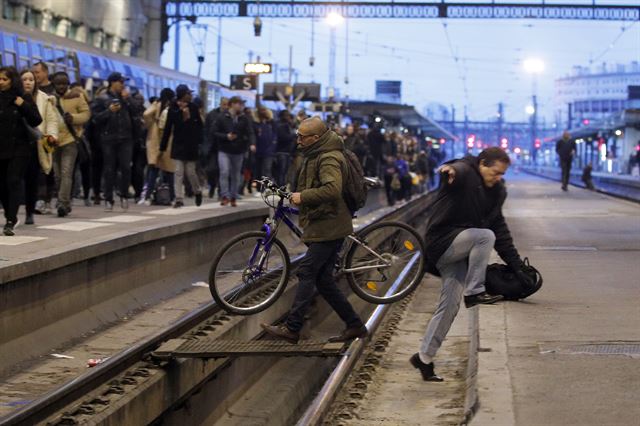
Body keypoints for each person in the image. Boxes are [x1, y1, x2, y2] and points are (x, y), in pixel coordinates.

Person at [412, 147, 532, 381]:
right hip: (441, 243)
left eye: (502, 175)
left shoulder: (496, 193)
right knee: (484, 236)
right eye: (495, 172)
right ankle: (475, 291)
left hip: (459, 252)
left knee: (449, 307)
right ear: (482, 164)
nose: (497, 178)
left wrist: (517, 266)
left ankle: (424, 358)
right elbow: (457, 168)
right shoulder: (466, 172)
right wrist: (450, 170)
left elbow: (501, 229)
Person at [261, 116, 368, 344]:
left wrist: (302, 196)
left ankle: (292, 328)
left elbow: (332, 189)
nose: (298, 140)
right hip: (327, 222)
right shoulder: (316, 153)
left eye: (302, 136)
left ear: (316, 138)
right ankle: (355, 325)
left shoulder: (328, 157)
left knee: (307, 271)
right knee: (324, 281)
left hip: (330, 225)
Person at [0, 66, 42, 235]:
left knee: (14, 180)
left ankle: (11, 220)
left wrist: (22, 104)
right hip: (1, 147)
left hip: (20, 147)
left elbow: (36, 119)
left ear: (12, 81)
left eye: (4, 79)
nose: (1, 82)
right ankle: (10, 215)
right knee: (2, 185)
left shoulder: (22, 96)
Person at [92, 72, 137, 211]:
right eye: (120, 82)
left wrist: (128, 100)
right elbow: (95, 118)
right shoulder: (102, 99)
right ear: (112, 82)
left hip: (126, 138)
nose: (123, 85)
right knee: (109, 169)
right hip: (109, 139)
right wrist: (109, 111)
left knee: (125, 168)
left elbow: (136, 112)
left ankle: (124, 195)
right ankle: (108, 198)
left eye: (123, 82)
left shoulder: (126, 98)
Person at [20, 69, 58, 225]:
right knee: (12, 180)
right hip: (15, 144)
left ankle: (29, 212)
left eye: (31, 79)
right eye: (25, 79)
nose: (28, 82)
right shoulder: (12, 97)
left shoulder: (45, 99)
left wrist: (52, 135)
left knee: (32, 179)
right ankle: (11, 211)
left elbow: (51, 120)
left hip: (36, 145)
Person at [51, 72, 90, 217]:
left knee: (67, 172)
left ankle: (62, 203)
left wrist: (73, 118)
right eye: (58, 84)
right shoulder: (49, 99)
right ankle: (66, 203)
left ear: (68, 84)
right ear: (54, 85)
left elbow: (86, 114)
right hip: (53, 141)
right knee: (57, 175)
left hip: (70, 140)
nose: (61, 86)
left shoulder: (76, 96)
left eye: (64, 84)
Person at [159, 84, 203, 208]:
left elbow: (199, 126)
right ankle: (179, 198)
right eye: (188, 94)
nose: (191, 96)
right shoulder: (173, 109)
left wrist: (200, 142)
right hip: (178, 144)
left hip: (191, 145)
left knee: (190, 172)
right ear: (183, 95)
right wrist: (163, 146)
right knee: (178, 172)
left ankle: (197, 191)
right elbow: (168, 127)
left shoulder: (193, 107)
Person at [214, 96, 255, 207]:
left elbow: (250, 131)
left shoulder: (244, 118)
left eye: (241, 104)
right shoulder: (222, 117)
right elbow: (214, 132)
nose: (240, 106)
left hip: (239, 150)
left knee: (235, 174)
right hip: (224, 149)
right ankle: (225, 196)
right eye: (238, 104)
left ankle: (233, 196)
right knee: (224, 171)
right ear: (232, 104)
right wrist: (226, 136)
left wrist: (252, 143)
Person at [140, 88, 175, 204]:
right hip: (167, 141)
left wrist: (151, 123)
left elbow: (145, 114)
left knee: (153, 170)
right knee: (169, 171)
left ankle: (147, 197)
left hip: (154, 140)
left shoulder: (157, 105)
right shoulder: (170, 108)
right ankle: (173, 197)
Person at [203, 97, 228, 198]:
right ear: (220, 104)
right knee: (211, 169)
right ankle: (212, 185)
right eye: (224, 104)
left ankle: (220, 191)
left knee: (222, 170)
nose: (225, 107)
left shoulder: (229, 116)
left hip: (224, 146)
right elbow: (206, 129)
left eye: (227, 105)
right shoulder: (212, 114)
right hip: (213, 146)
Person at [253, 107, 277, 187]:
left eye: (264, 110)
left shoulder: (271, 123)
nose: (263, 112)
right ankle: (259, 187)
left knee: (267, 169)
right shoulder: (255, 123)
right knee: (258, 170)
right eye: (261, 111)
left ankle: (266, 188)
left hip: (269, 151)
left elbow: (275, 135)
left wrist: (273, 146)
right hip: (258, 150)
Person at [274, 109, 296, 187]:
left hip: (288, 152)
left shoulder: (290, 126)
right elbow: (283, 137)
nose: (288, 118)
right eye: (286, 115)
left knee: (286, 171)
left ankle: (283, 186)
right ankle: (280, 186)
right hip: (281, 152)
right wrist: (294, 135)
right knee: (281, 171)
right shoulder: (280, 126)